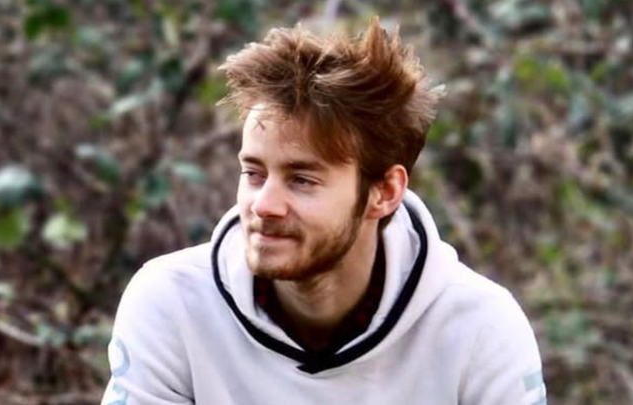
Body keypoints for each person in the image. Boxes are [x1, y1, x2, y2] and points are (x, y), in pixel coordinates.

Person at [100, 17, 546, 405]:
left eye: (302, 180)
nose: (264, 205)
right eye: (254, 173)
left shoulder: (481, 329)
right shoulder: (172, 303)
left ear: (384, 192)